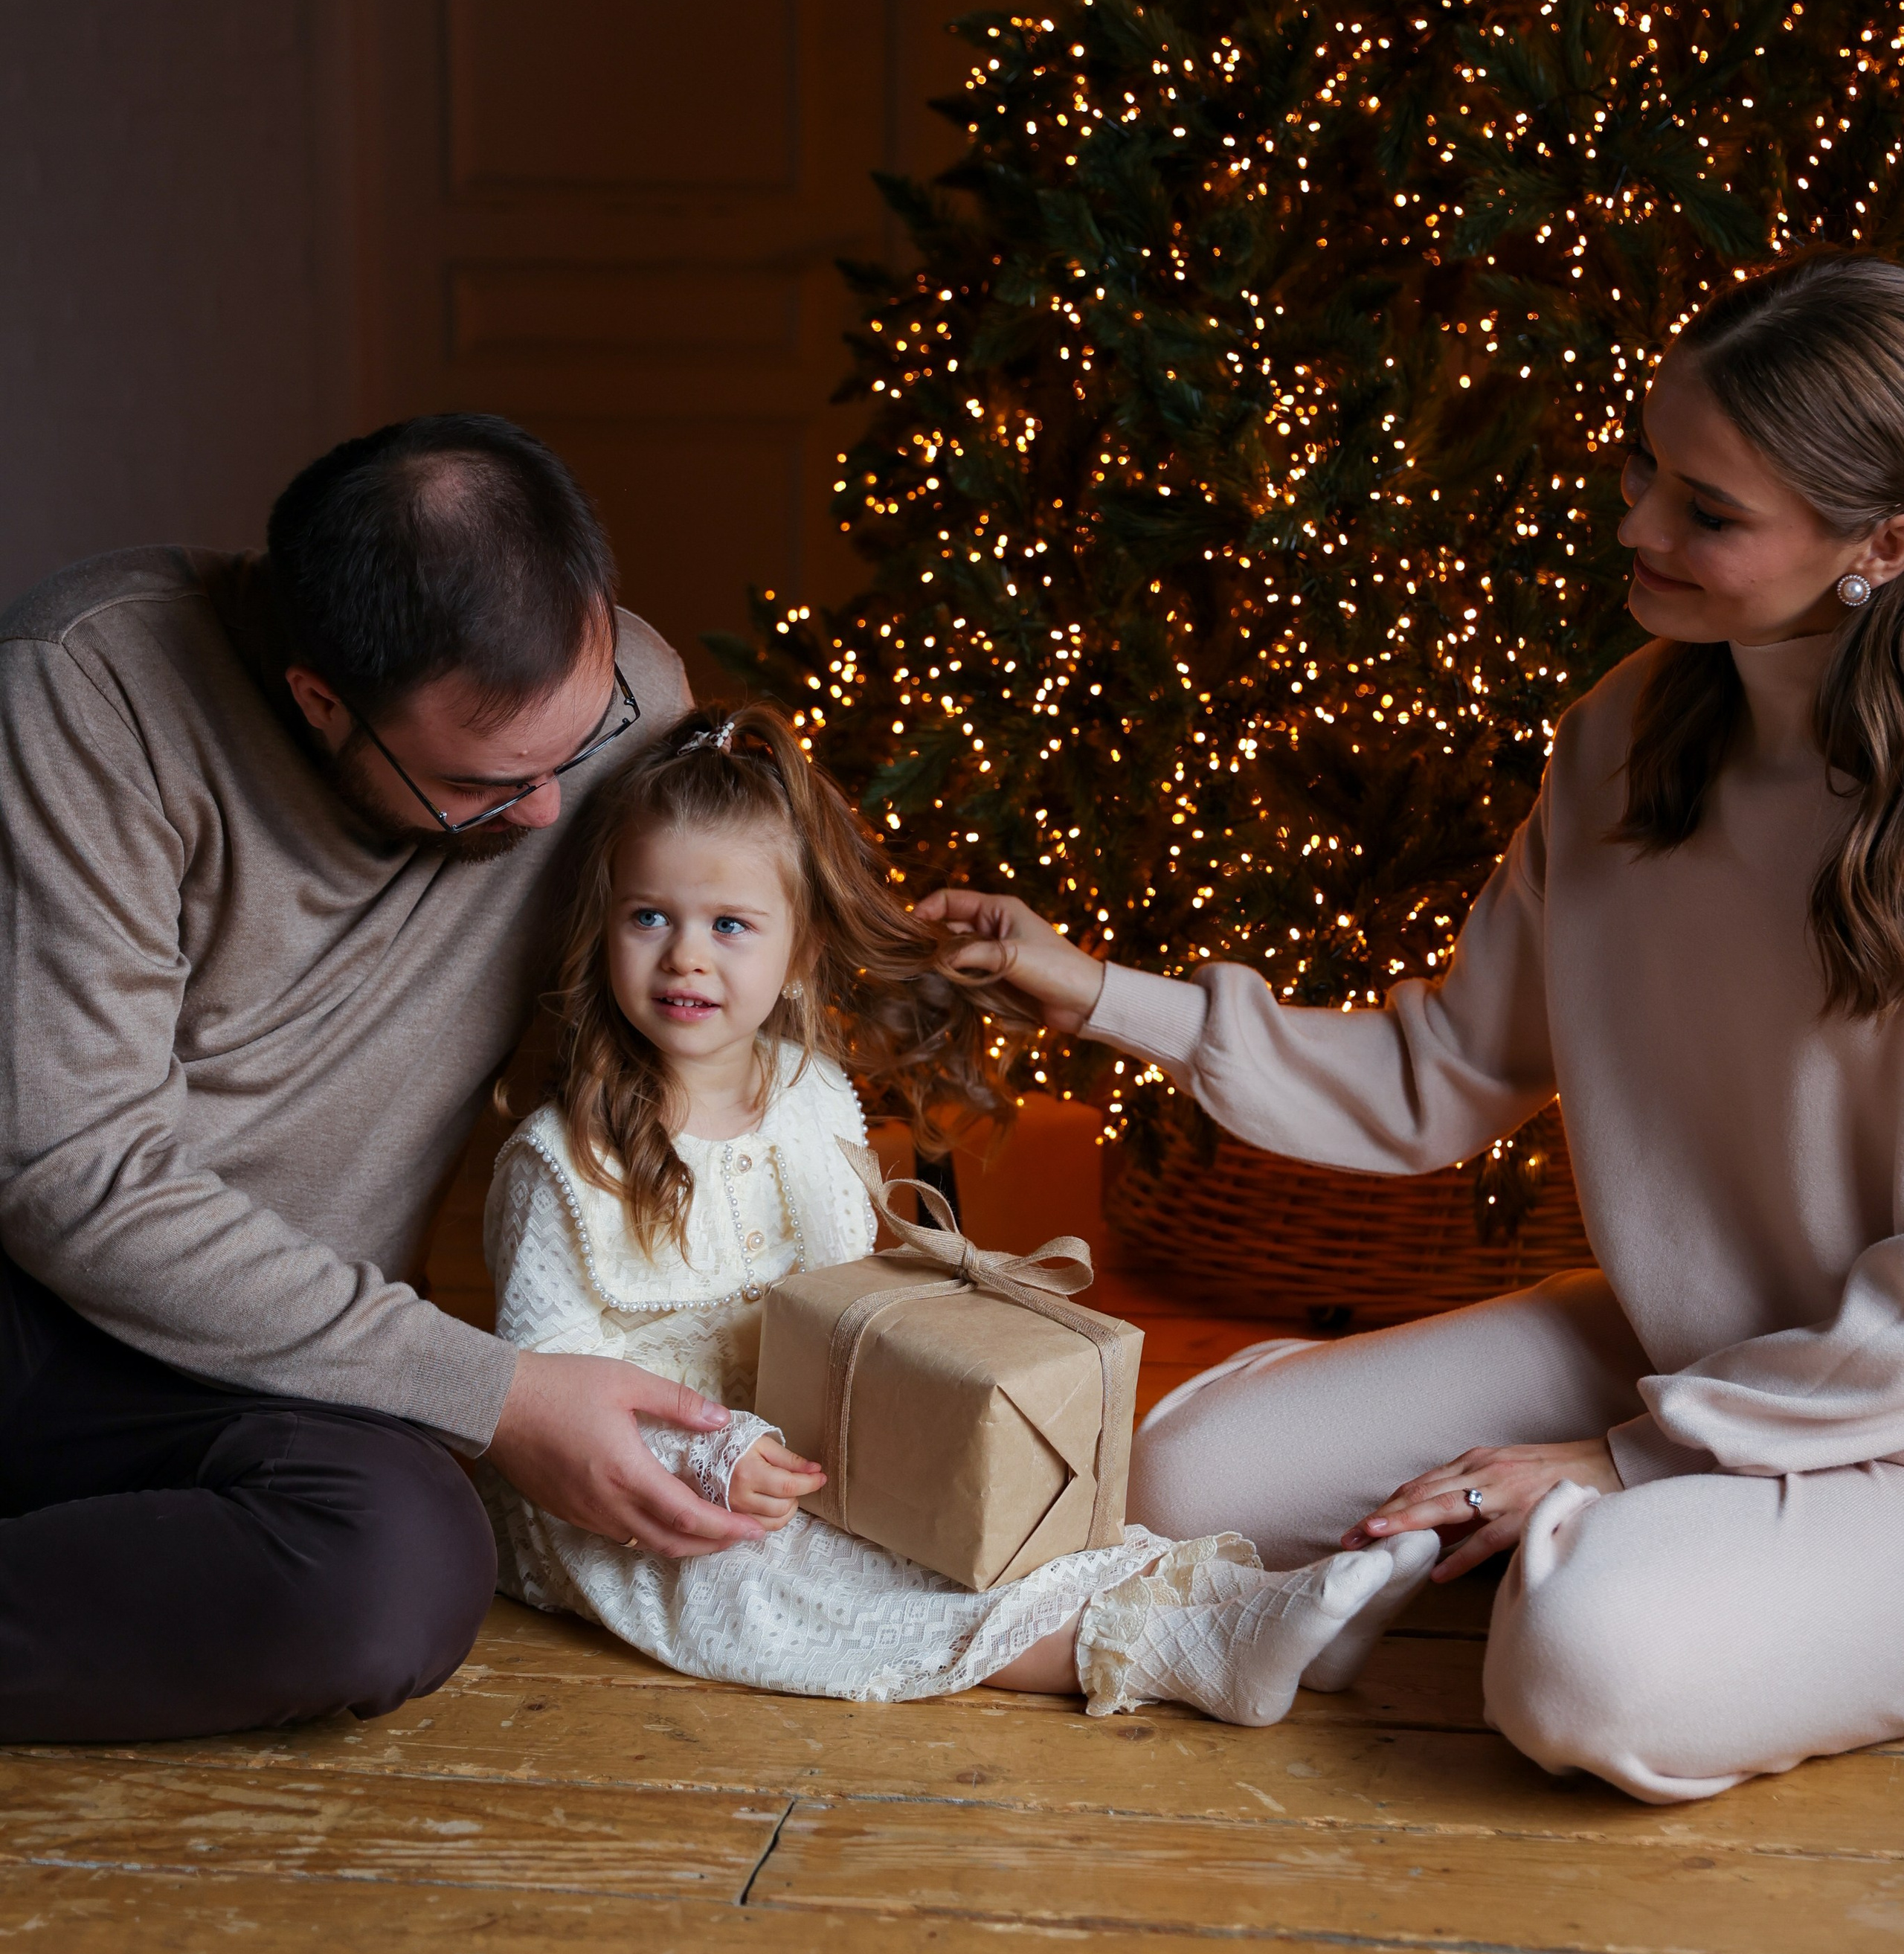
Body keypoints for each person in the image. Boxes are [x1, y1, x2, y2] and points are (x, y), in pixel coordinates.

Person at [924, 249, 1904, 1804]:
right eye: (1645, 470)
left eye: (1707, 512)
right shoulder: (1625, 736)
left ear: (1882, 543)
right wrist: (1093, 991)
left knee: (1578, 1663)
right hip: (1708, 1346)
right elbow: (1438, 1076)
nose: (1637, 528)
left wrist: (1625, 1460)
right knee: (1186, 1476)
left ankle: (1633, 1557)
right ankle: (1628, 1538)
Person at [0, 412, 766, 1746]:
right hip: (37, 1300)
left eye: (574, 747)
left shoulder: (627, 703)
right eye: (489, 782)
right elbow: (76, 1179)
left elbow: (678, 1018)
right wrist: (499, 1395)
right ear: (321, 701)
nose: (552, 810)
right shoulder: (86, 686)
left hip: (284, 1357)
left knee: (398, 1575)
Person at [478, 700, 1440, 1719]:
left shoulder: (811, 1095)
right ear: (605, 926)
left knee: (989, 1518)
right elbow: (540, 1389)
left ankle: (1254, 1603)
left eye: (729, 925)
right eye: (649, 918)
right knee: (827, 1590)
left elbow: (844, 1290)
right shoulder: (564, 1159)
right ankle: (1183, 1650)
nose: (685, 956)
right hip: (646, 1502)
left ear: (798, 955)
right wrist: (706, 1459)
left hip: (814, 1442)